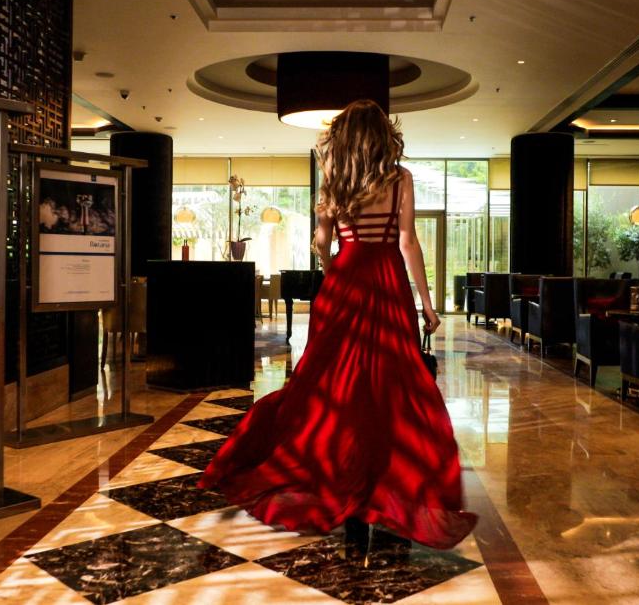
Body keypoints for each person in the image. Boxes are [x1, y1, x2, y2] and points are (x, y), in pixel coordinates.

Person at [198, 99, 477, 556]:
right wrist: (428, 302)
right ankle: (388, 494)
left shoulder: (334, 182)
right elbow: (407, 242)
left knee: (335, 389)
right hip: (387, 287)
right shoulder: (400, 178)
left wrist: (333, 267)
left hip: (345, 286)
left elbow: (322, 244)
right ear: (381, 136)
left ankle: (345, 501)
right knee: (391, 391)